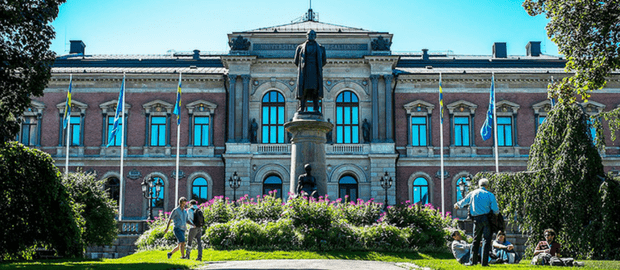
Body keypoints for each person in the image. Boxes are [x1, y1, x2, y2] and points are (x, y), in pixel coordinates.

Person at [454, 178, 499, 266]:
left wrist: (457, 205)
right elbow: (495, 210)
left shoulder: (473, 193)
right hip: (487, 219)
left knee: (476, 240)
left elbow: (464, 201)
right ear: (487, 186)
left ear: (479, 185)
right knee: (486, 240)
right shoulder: (490, 194)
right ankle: (484, 263)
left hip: (476, 219)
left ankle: (472, 261)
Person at [294, 29, 326, 113]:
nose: (310, 36)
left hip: (315, 71)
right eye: (309, 34)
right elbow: (296, 61)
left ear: (315, 36)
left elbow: (324, 60)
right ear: (306, 36)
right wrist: (303, 67)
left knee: (315, 89)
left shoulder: (321, 48)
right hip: (304, 72)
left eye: (312, 34)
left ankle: (316, 108)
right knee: (303, 89)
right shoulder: (300, 47)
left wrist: (316, 66)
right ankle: (302, 107)